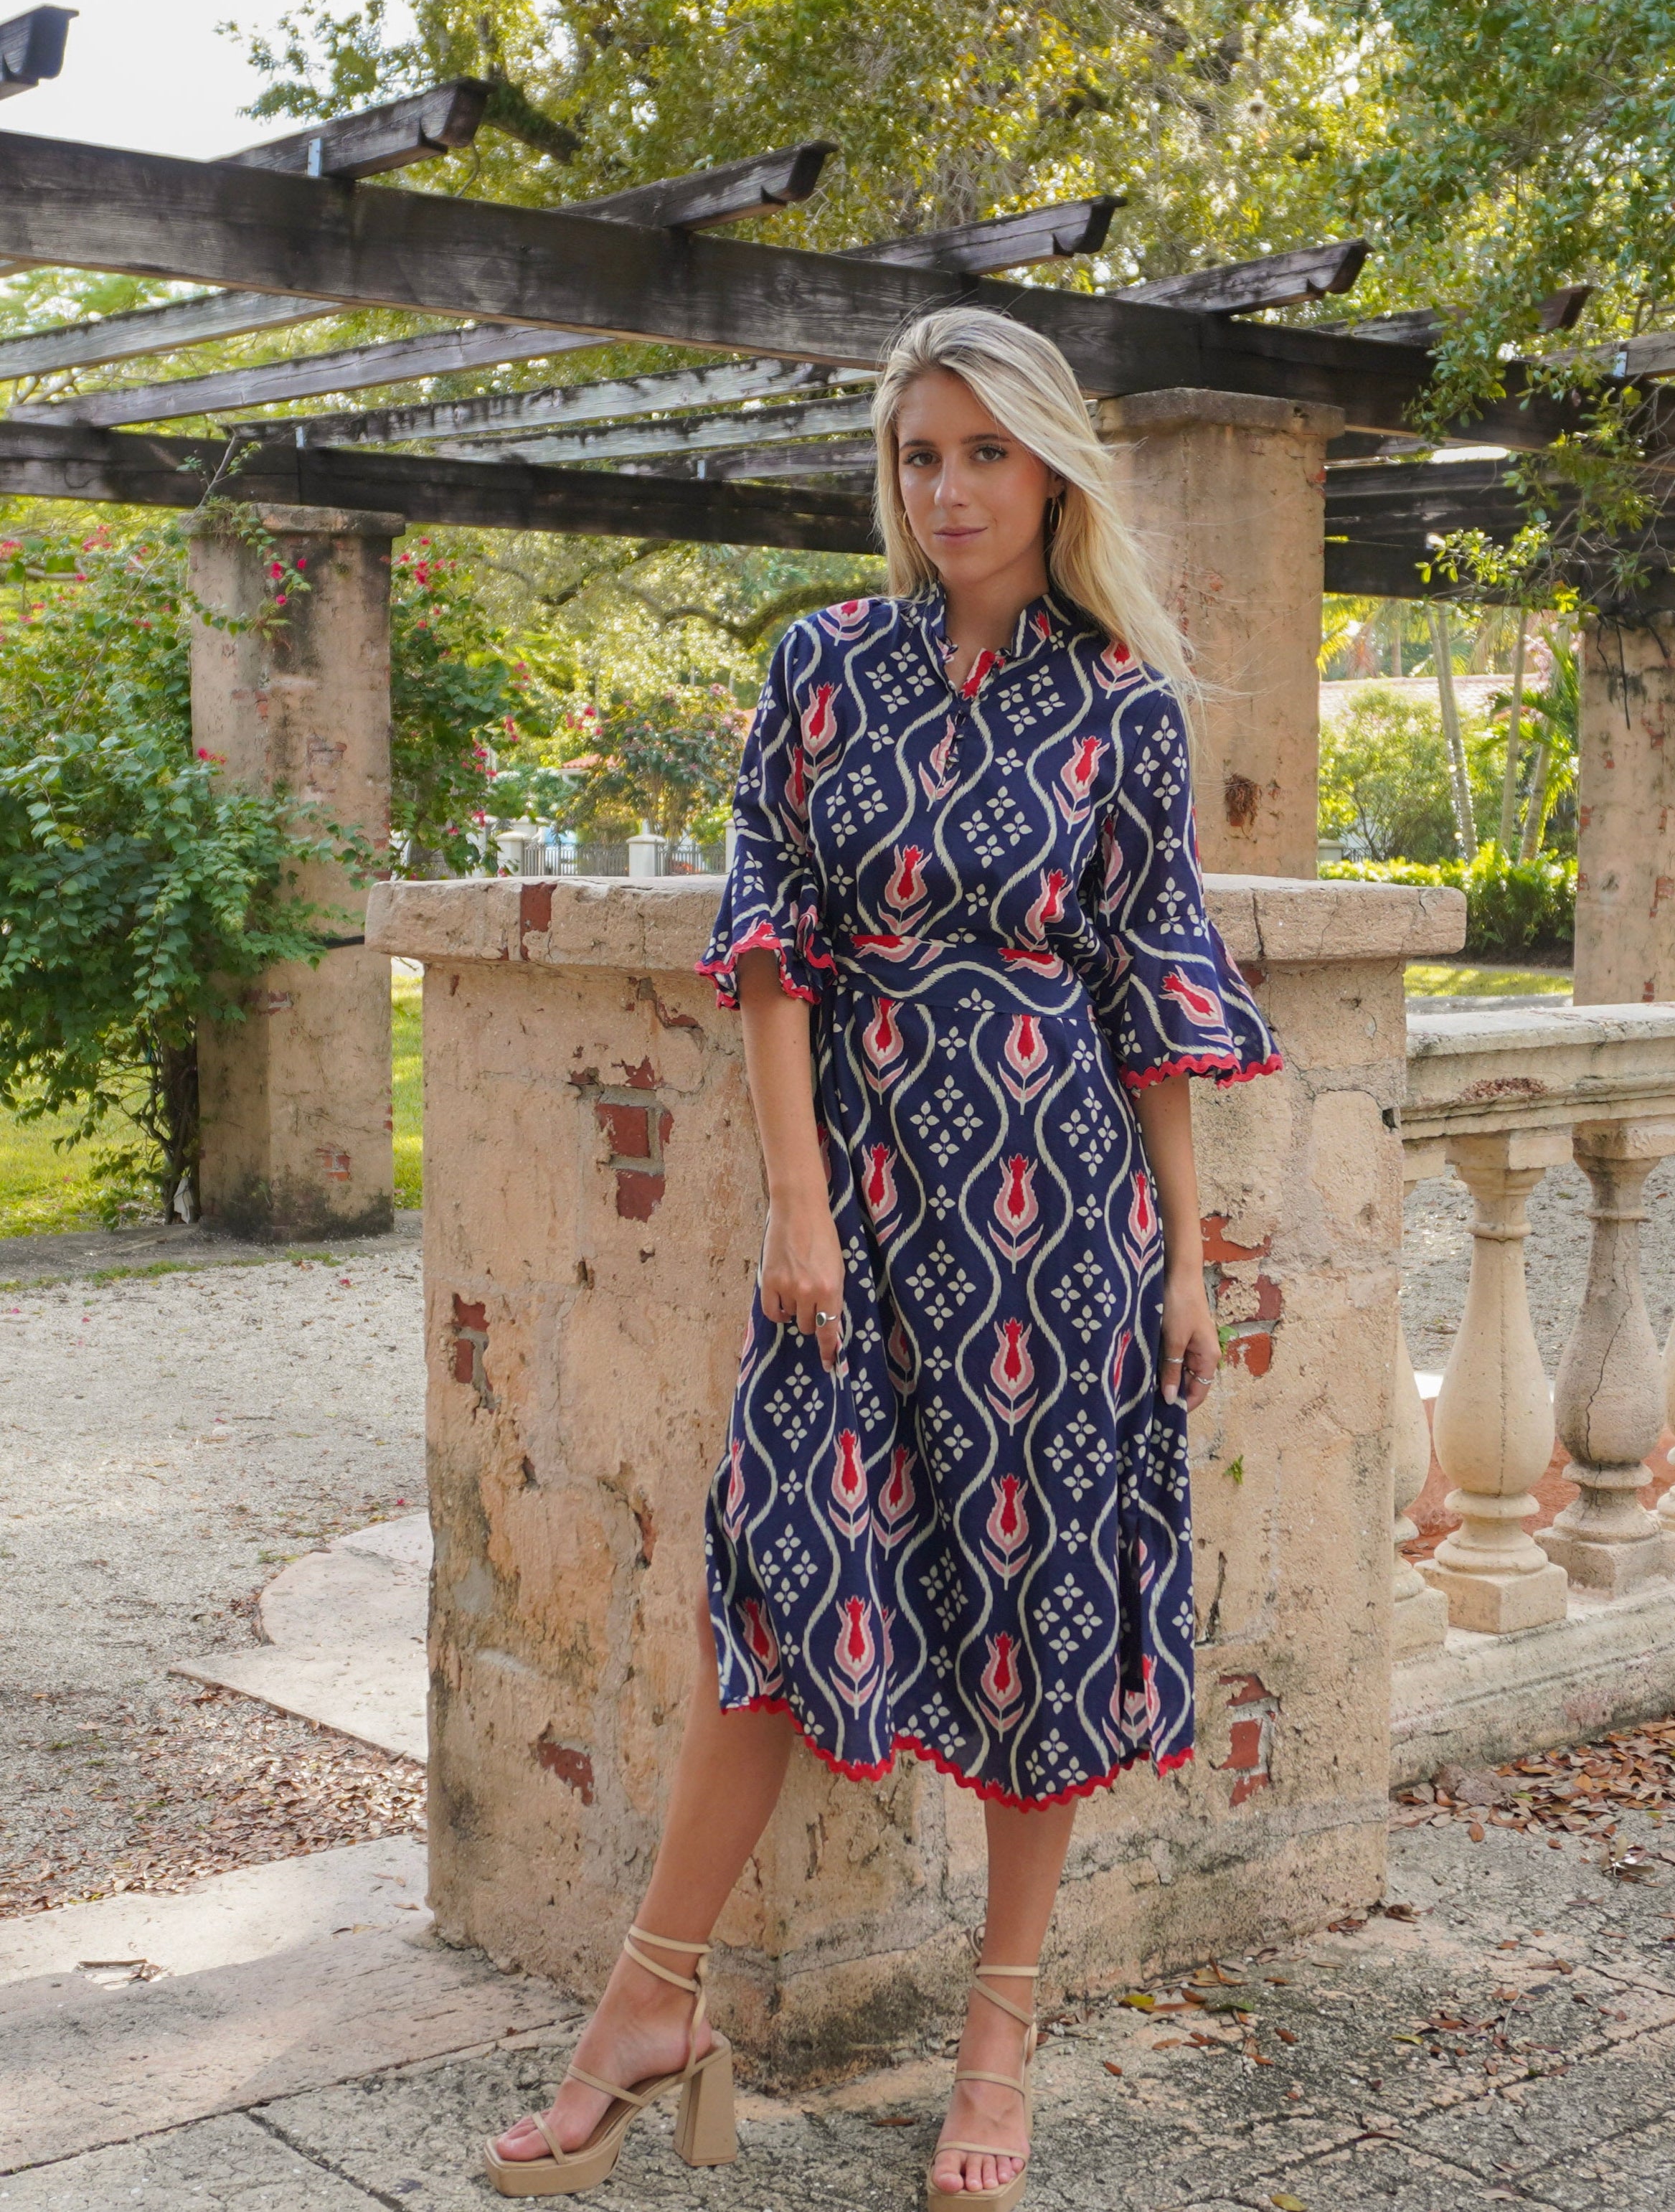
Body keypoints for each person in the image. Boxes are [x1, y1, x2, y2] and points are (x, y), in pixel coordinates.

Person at [486, 306, 1279, 2207]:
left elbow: (1152, 993)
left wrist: (1185, 1257)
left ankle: (998, 2044)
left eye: (984, 453)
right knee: (777, 1575)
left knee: (1042, 1608)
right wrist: (798, 1202)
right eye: (921, 455)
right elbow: (771, 938)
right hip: (854, 1205)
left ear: (1052, 470)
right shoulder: (825, 665)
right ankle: (649, 2007)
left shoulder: (1123, 707)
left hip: (1061, 1217)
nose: (948, 491)